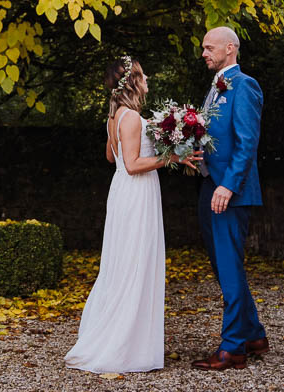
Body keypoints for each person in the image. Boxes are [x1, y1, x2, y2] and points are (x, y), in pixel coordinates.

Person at [65, 55, 200, 374]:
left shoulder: (116, 117)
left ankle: (129, 339)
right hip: (136, 193)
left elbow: (111, 157)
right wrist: (172, 157)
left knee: (124, 262)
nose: (148, 78)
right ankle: (123, 345)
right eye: (143, 75)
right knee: (133, 264)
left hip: (123, 190)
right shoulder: (129, 118)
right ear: (133, 82)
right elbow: (134, 163)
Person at [192, 26, 269, 371]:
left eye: (209, 48)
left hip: (229, 193)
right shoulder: (215, 87)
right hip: (210, 186)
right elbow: (217, 137)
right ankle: (253, 334)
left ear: (229, 48)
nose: (204, 53)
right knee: (223, 267)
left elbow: (247, 142)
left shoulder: (245, 85)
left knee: (229, 265)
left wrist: (228, 185)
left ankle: (233, 347)